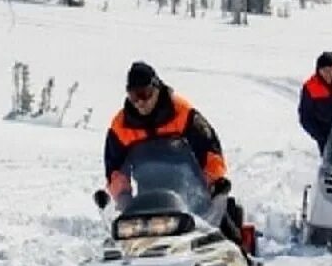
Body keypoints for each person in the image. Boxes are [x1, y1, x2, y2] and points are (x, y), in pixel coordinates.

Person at [102, 62, 245, 248]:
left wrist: (216, 182)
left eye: (144, 94)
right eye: (133, 97)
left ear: (156, 87)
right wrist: (123, 197)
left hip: (191, 195)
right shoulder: (121, 126)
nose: (140, 103)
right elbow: (115, 168)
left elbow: (209, 148)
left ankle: (242, 257)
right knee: (122, 246)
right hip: (147, 200)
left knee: (223, 234)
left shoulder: (181, 112)